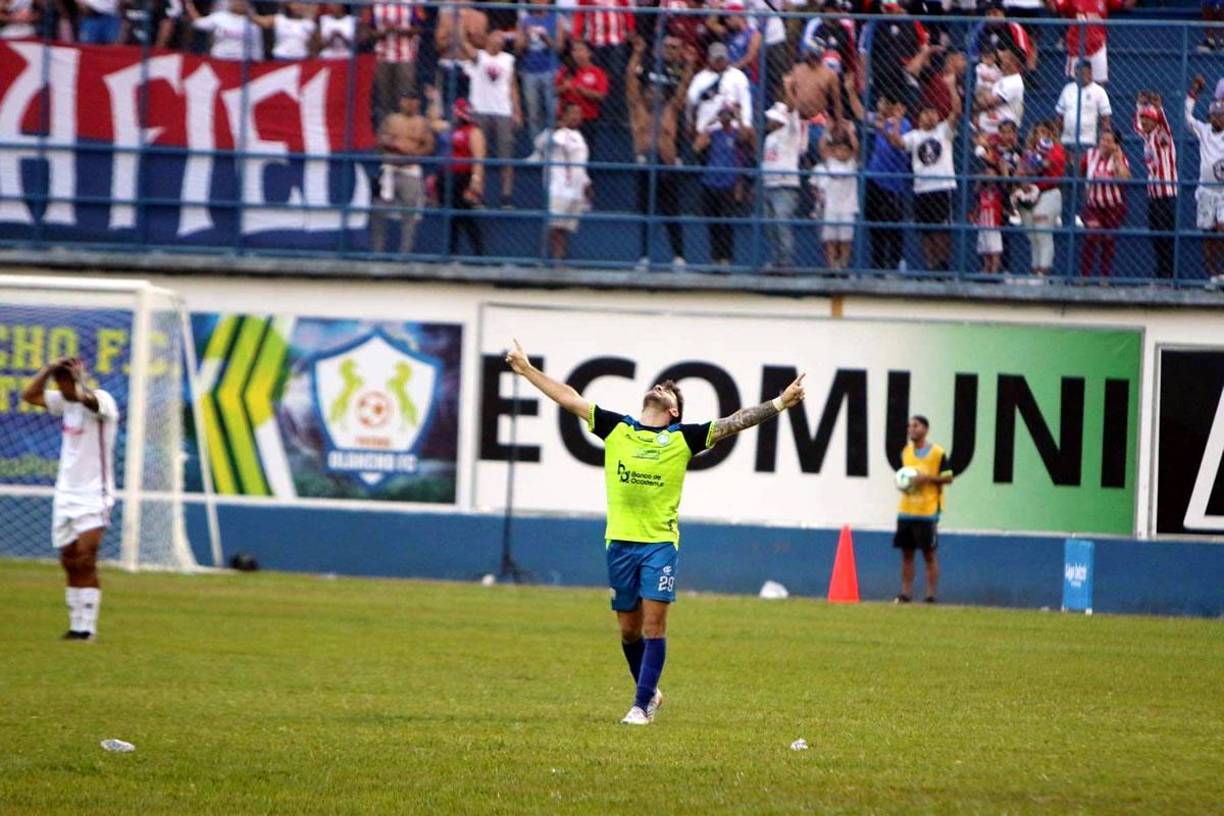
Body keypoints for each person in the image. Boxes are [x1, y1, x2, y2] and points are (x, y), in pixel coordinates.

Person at [502, 340, 806, 724]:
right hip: (619, 543)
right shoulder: (617, 428)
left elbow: (736, 420)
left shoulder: (683, 438)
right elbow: (569, 397)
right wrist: (527, 369)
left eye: (668, 390)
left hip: (659, 545)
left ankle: (640, 705)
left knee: (653, 625)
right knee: (629, 632)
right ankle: (651, 694)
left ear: (674, 410)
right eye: (659, 385)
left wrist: (779, 403)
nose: (659, 387)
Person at [21, 357, 119, 641]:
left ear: (76, 379)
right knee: (70, 560)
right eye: (59, 379)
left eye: (66, 379)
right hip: (65, 494)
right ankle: (75, 625)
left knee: (87, 557)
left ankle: (88, 627)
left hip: (94, 494)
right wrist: (48, 369)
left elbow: (90, 402)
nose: (61, 384)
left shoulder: (102, 399)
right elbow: (29, 395)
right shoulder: (64, 403)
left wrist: (78, 380)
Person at [627, 34, 695, 270]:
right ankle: (644, 256)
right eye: (649, 91)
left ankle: (679, 256)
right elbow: (630, 82)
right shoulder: (639, 112)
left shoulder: (669, 111)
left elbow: (683, 90)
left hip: (666, 165)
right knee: (646, 213)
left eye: (657, 91)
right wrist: (636, 53)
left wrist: (690, 65)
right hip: (646, 163)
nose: (652, 94)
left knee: (672, 213)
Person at [888, 79, 961, 273]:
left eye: (933, 113)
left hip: (943, 187)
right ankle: (931, 266)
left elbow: (957, 113)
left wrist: (952, 88)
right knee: (926, 232)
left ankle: (942, 266)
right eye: (925, 113)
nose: (929, 116)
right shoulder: (915, 135)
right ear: (919, 117)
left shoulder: (943, 131)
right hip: (922, 189)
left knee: (942, 231)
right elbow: (896, 142)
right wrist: (896, 121)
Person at [893, 415, 953, 605]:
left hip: (927, 511)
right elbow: (902, 476)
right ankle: (905, 594)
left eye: (916, 425)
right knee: (907, 554)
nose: (911, 429)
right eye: (909, 426)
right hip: (906, 510)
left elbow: (948, 478)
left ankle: (930, 596)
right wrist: (904, 483)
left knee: (929, 554)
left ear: (925, 429)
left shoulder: (937, 453)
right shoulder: (905, 452)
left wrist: (925, 478)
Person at [461, 29, 522, 208]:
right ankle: (478, 193)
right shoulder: (478, 57)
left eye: (502, 39)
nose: (499, 41)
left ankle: (506, 196)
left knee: (506, 156)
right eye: (496, 37)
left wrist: (516, 110)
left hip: (503, 111)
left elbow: (512, 86)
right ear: (487, 39)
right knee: (479, 156)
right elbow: (466, 46)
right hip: (480, 110)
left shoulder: (508, 60)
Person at [370, 91, 435, 255]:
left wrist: (412, 152)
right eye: (406, 101)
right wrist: (397, 144)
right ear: (401, 102)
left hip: (410, 171)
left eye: (413, 101)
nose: (409, 104)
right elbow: (380, 140)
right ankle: (377, 254)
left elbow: (428, 146)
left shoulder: (422, 123)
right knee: (378, 213)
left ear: (418, 103)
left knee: (410, 217)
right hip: (389, 171)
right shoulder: (392, 119)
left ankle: (404, 256)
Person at [695, 102, 753, 268]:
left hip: (728, 183)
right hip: (710, 182)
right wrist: (710, 121)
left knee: (726, 222)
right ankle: (715, 258)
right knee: (712, 222)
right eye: (722, 114)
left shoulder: (736, 134)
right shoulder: (714, 134)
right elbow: (697, 146)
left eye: (727, 114)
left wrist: (739, 116)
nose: (725, 117)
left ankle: (726, 258)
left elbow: (745, 137)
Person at [537, 102, 592, 260]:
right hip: (558, 187)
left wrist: (587, 185)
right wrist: (553, 129)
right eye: (573, 113)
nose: (576, 117)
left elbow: (581, 165)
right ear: (565, 115)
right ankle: (542, 260)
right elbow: (540, 144)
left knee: (565, 228)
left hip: (576, 189)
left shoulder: (580, 137)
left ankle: (558, 262)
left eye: (579, 113)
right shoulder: (557, 134)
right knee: (553, 225)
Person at [1012, 120, 1066, 278]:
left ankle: (1043, 273)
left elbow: (1043, 165)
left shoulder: (1057, 150)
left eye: (1045, 132)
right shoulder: (1029, 152)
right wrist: (1022, 182)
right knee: (1032, 236)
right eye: (1038, 132)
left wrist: (1027, 169)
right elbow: (1019, 172)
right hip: (1029, 195)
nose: (1041, 135)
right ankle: (1035, 271)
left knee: (1043, 235)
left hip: (1049, 193)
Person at [1133, 92, 1177, 280]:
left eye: (1148, 119)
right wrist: (1139, 106)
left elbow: (1164, 124)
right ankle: (1161, 274)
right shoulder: (1147, 136)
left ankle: (1167, 275)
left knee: (1165, 236)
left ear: (1155, 121)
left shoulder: (1162, 134)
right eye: (1143, 119)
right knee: (1156, 236)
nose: (1144, 122)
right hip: (1153, 194)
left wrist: (1159, 108)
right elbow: (1136, 126)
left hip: (1166, 194)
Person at [1186, 75, 1224, 287]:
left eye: (1222, 115)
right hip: (1206, 191)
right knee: (1208, 235)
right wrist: (1194, 92)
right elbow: (1186, 116)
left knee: (1222, 229)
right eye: (1215, 115)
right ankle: (1213, 275)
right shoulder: (1204, 131)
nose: (1218, 119)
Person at [437, 97, 487, 256]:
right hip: (448, 177)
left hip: (464, 177)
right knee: (452, 218)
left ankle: (479, 254)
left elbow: (478, 159)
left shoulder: (474, 131)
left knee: (467, 217)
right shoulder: (452, 129)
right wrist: (435, 99)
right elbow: (433, 122)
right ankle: (451, 254)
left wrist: (475, 181)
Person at [1079, 128, 1129, 278]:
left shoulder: (1120, 157)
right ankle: (1084, 276)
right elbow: (1082, 173)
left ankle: (1104, 277)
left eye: (1109, 141)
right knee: (1091, 238)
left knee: (1108, 241)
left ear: (1116, 144)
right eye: (1102, 140)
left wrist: (1118, 158)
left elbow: (1125, 178)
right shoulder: (1090, 155)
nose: (1105, 144)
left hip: (1113, 206)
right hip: (1094, 205)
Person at [761, 101, 806, 272]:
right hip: (769, 185)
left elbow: (794, 114)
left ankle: (786, 264)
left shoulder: (790, 133)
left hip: (785, 185)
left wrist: (790, 92)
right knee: (771, 227)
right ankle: (777, 261)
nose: (769, 120)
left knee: (782, 224)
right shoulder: (769, 138)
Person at [1046, 0, 1135, 84]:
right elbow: (1054, 8)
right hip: (1076, 46)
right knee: (1074, 85)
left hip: (1098, 46)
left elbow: (1126, 5)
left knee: (1100, 85)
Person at [815, 121, 859, 271]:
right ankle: (832, 266)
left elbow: (856, 149)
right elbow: (822, 147)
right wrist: (827, 130)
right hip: (831, 207)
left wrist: (849, 131)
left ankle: (843, 265)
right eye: (838, 148)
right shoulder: (831, 162)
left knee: (845, 240)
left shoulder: (851, 164)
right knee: (830, 239)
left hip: (847, 207)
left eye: (845, 149)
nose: (841, 152)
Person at [518, 0, 564, 138]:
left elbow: (560, 47)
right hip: (530, 72)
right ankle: (537, 148)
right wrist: (526, 37)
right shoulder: (525, 21)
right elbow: (518, 49)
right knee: (533, 114)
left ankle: (554, 146)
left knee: (553, 111)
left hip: (550, 70)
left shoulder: (556, 19)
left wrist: (546, 38)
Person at [1055, 59, 1112, 171]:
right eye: (1077, 73)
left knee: (1083, 172)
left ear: (1090, 73)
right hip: (1066, 140)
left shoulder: (1099, 91)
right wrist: (1058, 138)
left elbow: (1105, 119)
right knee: (1065, 172)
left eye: (1083, 73)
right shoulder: (1067, 89)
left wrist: (1100, 140)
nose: (1080, 76)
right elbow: (1059, 116)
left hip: (1087, 141)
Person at [686, 41, 752, 135]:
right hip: (706, 129)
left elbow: (745, 101)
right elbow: (691, 100)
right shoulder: (700, 78)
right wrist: (690, 125)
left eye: (722, 58)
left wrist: (746, 124)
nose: (720, 62)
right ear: (709, 59)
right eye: (716, 59)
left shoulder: (738, 75)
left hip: (732, 126)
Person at [556, 40, 609, 155]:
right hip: (566, 118)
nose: (577, 53)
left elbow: (602, 95)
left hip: (587, 118)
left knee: (585, 150)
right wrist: (564, 87)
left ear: (589, 53)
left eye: (581, 50)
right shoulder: (565, 70)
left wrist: (585, 92)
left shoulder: (597, 72)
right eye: (575, 50)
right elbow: (553, 91)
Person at [783, 39, 843, 124]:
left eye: (808, 52)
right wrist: (788, 90)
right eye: (806, 51)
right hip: (797, 119)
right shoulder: (798, 69)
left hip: (817, 121)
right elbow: (789, 104)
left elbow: (837, 103)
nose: (805, 54)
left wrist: (839, 123)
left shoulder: (829, 75)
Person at [183, 0, 262, 61]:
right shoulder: (219, 17)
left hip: (241, 62)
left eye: (242, 1)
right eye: (236, 1)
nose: (239, 3)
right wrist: (189, 4)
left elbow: (257, 46)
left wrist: (257, 63)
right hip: (219, 59)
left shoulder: (253, 22)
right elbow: (199, 23)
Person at [974, 46, 1025, 137]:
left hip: (1002, 134)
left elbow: (988, 102)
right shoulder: (1001, 78)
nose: (1001, 60)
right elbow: (980, 99)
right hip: (987, 130)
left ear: (1014, 61)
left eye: (1006, 58)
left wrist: (982, 98)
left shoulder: (1015, 81)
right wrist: (982, 98)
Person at [249, 2, 316, 61]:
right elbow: (260, 21)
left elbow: (314, 45)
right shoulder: (280, 19)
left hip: (301, 57)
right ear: (288, 5)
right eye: (295, 4)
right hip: (282, 57)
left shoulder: (309, 23)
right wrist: (248, 9)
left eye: (301, 4)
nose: (298, 6)